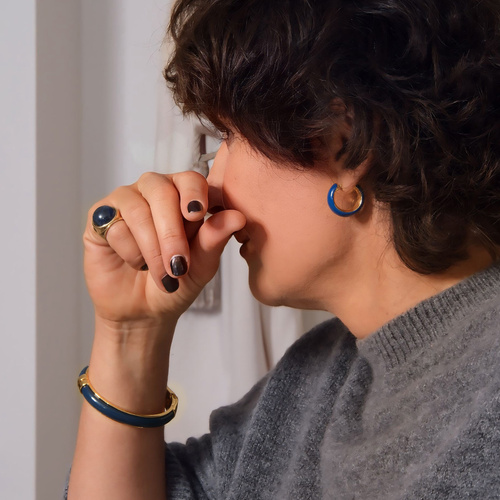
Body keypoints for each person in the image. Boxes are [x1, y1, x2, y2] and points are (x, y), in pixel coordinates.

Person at [66, 0, 500, 498]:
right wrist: (130, 334)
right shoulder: (307, 384)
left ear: (345, 142)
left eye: (228, 137)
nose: (211, 184)